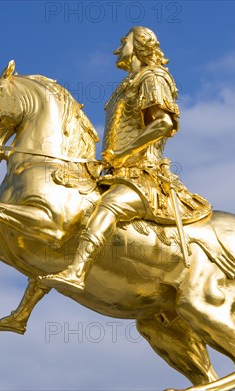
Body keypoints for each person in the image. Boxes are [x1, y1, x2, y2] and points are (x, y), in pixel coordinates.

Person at [42, 26, 211, 292]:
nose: (117, 49)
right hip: (116, 170)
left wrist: (124, 152)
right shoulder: (127, 84)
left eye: (124, 42)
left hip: (144, 173)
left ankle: (77, 272)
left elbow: (163, 123)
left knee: (108, 207)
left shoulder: (153, 77)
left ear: (140, 46)